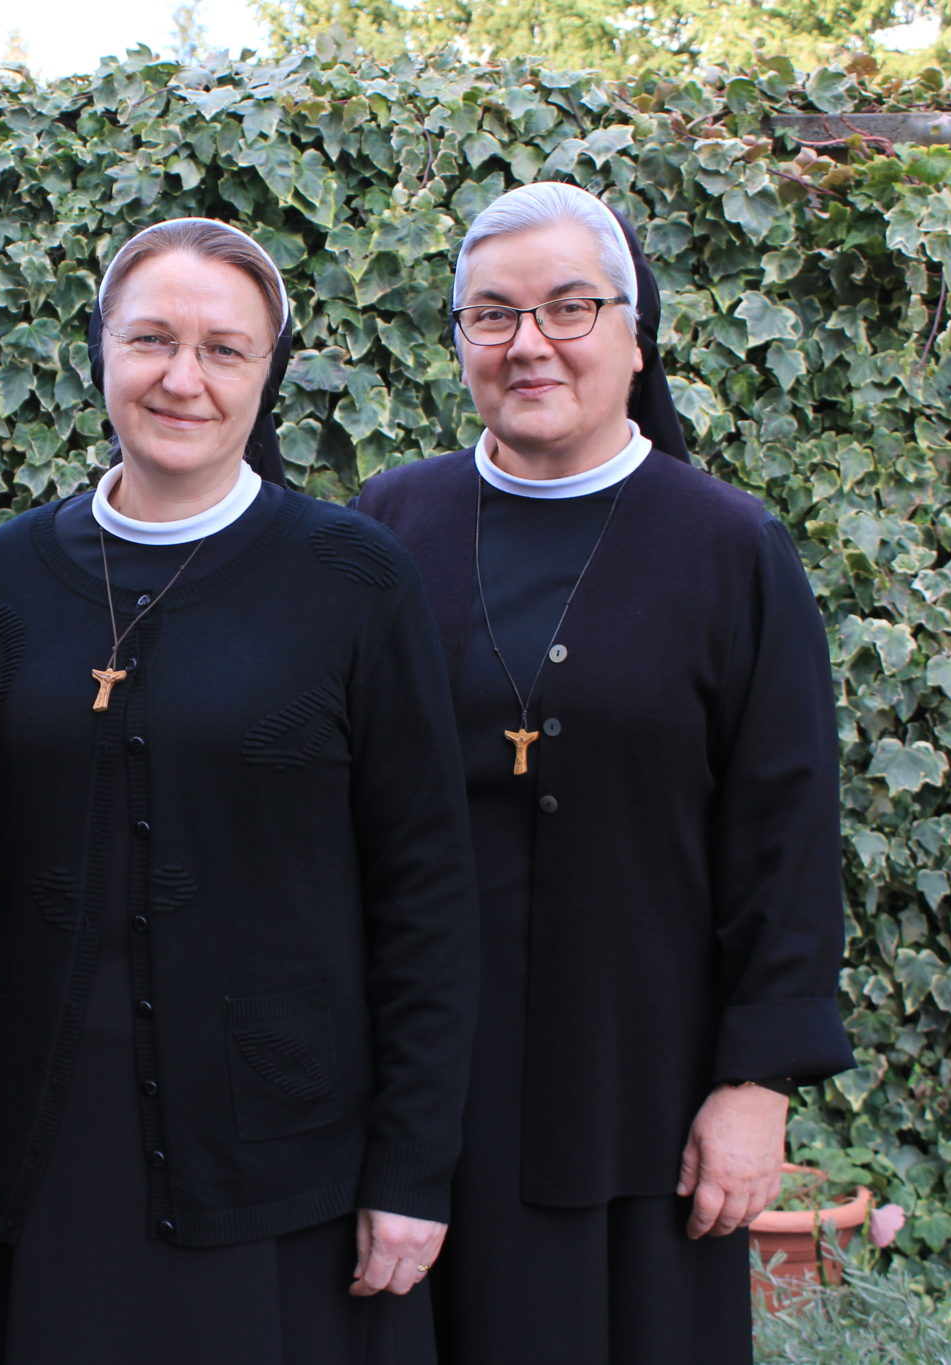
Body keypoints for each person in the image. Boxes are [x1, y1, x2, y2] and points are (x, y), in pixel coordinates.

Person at [0, 217, 479, 1365]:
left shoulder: (352, 579)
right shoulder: (3, 580)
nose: (181, 379)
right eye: (149, 340)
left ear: (267, 372)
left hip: (280, 1162)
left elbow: (425, 892)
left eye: (223, 350)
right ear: (97, 349)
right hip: (39, 1155)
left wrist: (411, 1164)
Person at [357, 181, 857, 1364]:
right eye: (491, 314)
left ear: (636, 336)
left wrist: (756, 1084)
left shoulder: (728, 546)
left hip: (641, 1080)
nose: (527, 344)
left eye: (568, 308)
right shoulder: (389, 524)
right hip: (424, 1084)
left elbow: (784, 831)